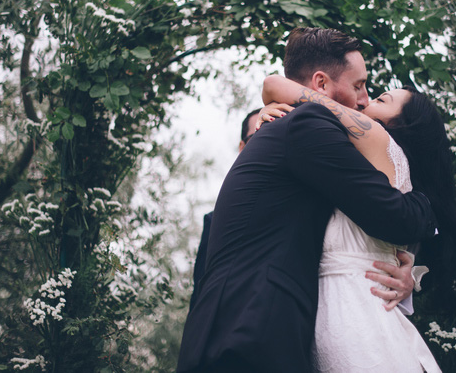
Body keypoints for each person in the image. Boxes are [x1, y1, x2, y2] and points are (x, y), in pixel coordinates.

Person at [176, 27, 437, 373]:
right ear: (321, 84)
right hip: (250, 331)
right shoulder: (307, 124)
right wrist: (428, 205)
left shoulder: (287, 126)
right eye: (359, 85)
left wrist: (408, 271)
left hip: (245, 327)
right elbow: (393, 215)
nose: (363, 99)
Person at [260, 74, 456, 372]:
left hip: (355, 318)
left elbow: (273, 84)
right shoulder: (392, 178)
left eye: (381, 100)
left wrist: (274, 107)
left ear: (400, 125)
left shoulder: (373, 135)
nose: (366, 100)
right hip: (361, 315)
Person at [189, 108, 262, 310]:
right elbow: (200, 295)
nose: (268, 142)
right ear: (242, 146)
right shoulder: (214, 222)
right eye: (259, 136)